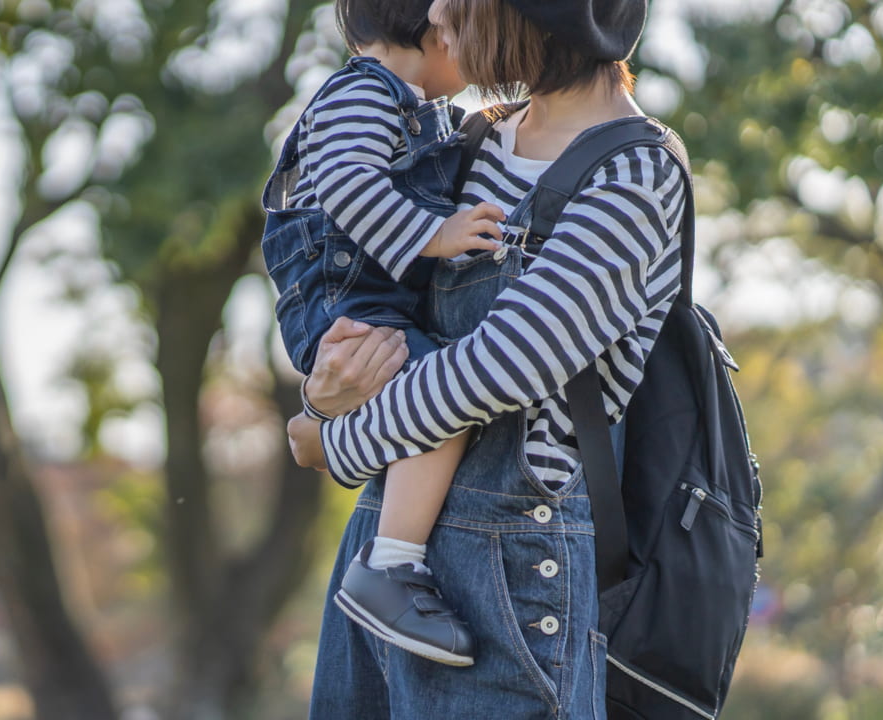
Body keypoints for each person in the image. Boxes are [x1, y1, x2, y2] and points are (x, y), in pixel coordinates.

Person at [287, 0, 686, 716]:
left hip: (506, 584)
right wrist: (323, 399)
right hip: (378, 556)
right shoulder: (466, 142)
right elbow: (376, 323)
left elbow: (494, 370)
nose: (436, 8)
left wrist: (327, 442)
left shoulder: (634, 177)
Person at [261, 0, 510, 666]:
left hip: (370, 297)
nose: (485, 56)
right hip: (343, 300)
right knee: (441, 402)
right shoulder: (360, 93)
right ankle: (390, 567)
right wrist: (436, 235)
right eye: (473, 34)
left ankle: (382, 535)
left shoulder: (410, 106)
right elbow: (346, 182)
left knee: (432, 404)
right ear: (438, 30)